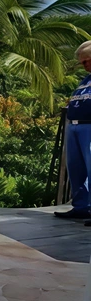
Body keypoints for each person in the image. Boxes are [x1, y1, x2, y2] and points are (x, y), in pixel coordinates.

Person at [56, 41, 91, 219]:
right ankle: (81, 207)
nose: (83, 66)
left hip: (89, 127)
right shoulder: (85, 80)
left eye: (86, 61)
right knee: (76, 169)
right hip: (75, 126)